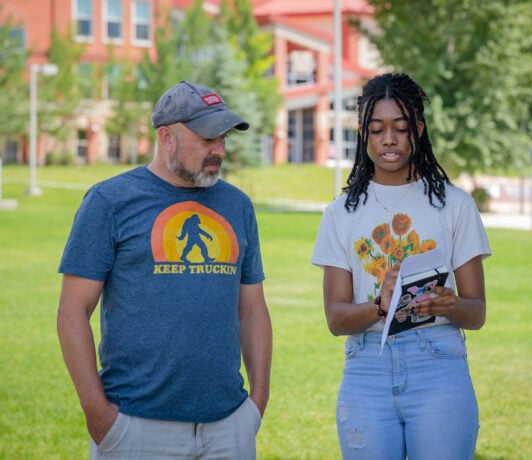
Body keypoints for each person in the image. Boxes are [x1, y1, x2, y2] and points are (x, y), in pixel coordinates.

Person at [57, 81, 272, 459]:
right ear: (166, 138)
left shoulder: (237, 206)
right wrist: (99, 416)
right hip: (136, 426)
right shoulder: (109, 201)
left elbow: (252, 308)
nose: (218, 150)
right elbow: (72, 312)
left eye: (222, 138)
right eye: (207, 138)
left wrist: (256, 403)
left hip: (228, 426)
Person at [311, 73, 491, 460]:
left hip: (438, 365)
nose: (389, 139)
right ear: (364, 134)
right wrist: (380, 305)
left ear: (419, 130)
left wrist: (450, 304)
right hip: (367, 367)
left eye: (401, 128)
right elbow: (335, 318)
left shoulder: (455, 205)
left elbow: (476, 313)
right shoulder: (341, 214)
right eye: (377, 130)